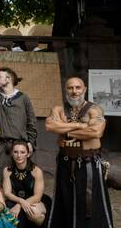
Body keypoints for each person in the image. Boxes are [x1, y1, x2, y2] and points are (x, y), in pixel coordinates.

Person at [45, 77, 112, 228]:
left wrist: (66, 132)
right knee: (65, 200)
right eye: (70, 88)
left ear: (85, 89)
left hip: (89, 163)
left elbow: (96, 131)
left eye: (78, 87)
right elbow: (50, 126)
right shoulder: (58, 109)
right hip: (65, 162)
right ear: (65, 90)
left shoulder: (95, 110)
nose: (74, 92)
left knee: (90, 203)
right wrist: (80, 125)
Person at [0, 67, 37, 181]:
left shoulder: (23, 98)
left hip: (18, 143)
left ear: (8, 79)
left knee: (17, 177)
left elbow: (31, 122)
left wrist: (31, 141)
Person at [2, 141, 52, 228]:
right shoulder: (7, 170)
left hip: (34, 200)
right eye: (15, 152)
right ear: (12, 154)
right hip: (16, 199)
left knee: (33, 212)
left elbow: (37, 196)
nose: (19, 155)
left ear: (28, 154)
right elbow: (7, 193)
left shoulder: (36, 171)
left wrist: (19, 205)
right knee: (7, 214)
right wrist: (20, 202)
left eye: (22, 152)